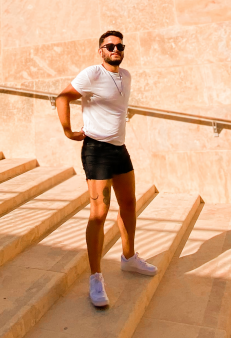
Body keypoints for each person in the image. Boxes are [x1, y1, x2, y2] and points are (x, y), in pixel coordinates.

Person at [55, 30, 157, 308]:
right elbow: (62, 97)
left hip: (119, 149)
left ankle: (129, 258)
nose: (116, 49)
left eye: (120, 46)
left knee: (128, 204)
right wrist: (68, 131)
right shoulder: (91, 74)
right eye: (110, 46)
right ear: (100, 50)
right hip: (96, 150)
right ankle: (95, 277)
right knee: (99, 212)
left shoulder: (126, 76)